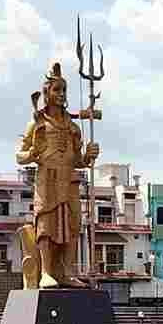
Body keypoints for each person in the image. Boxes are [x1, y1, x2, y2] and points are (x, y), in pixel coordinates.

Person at [16, 62, 100, 289]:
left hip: (69, 181)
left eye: (64, 90)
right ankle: (46, 272)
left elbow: (78, 161)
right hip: (47, 181)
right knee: (46, 226)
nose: (61, 94)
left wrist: (89, 156)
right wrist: (33, 152)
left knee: (71, 226)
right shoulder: (37, 123)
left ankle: (67, 272)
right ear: (46, 94)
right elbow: (19, 155)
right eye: (57, 90)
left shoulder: (73, 127)